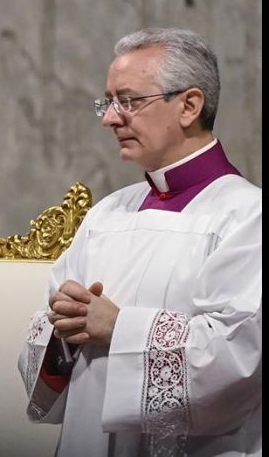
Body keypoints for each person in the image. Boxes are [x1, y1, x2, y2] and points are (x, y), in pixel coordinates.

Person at [18, 28, 261, 456]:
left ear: (189, 105)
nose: (110, 118)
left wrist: (119, 328)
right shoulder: (108, 213)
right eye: (107, 102)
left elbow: (240, 356)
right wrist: (63, 328)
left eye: (128, 101)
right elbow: (51, 332)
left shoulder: (246, 216)